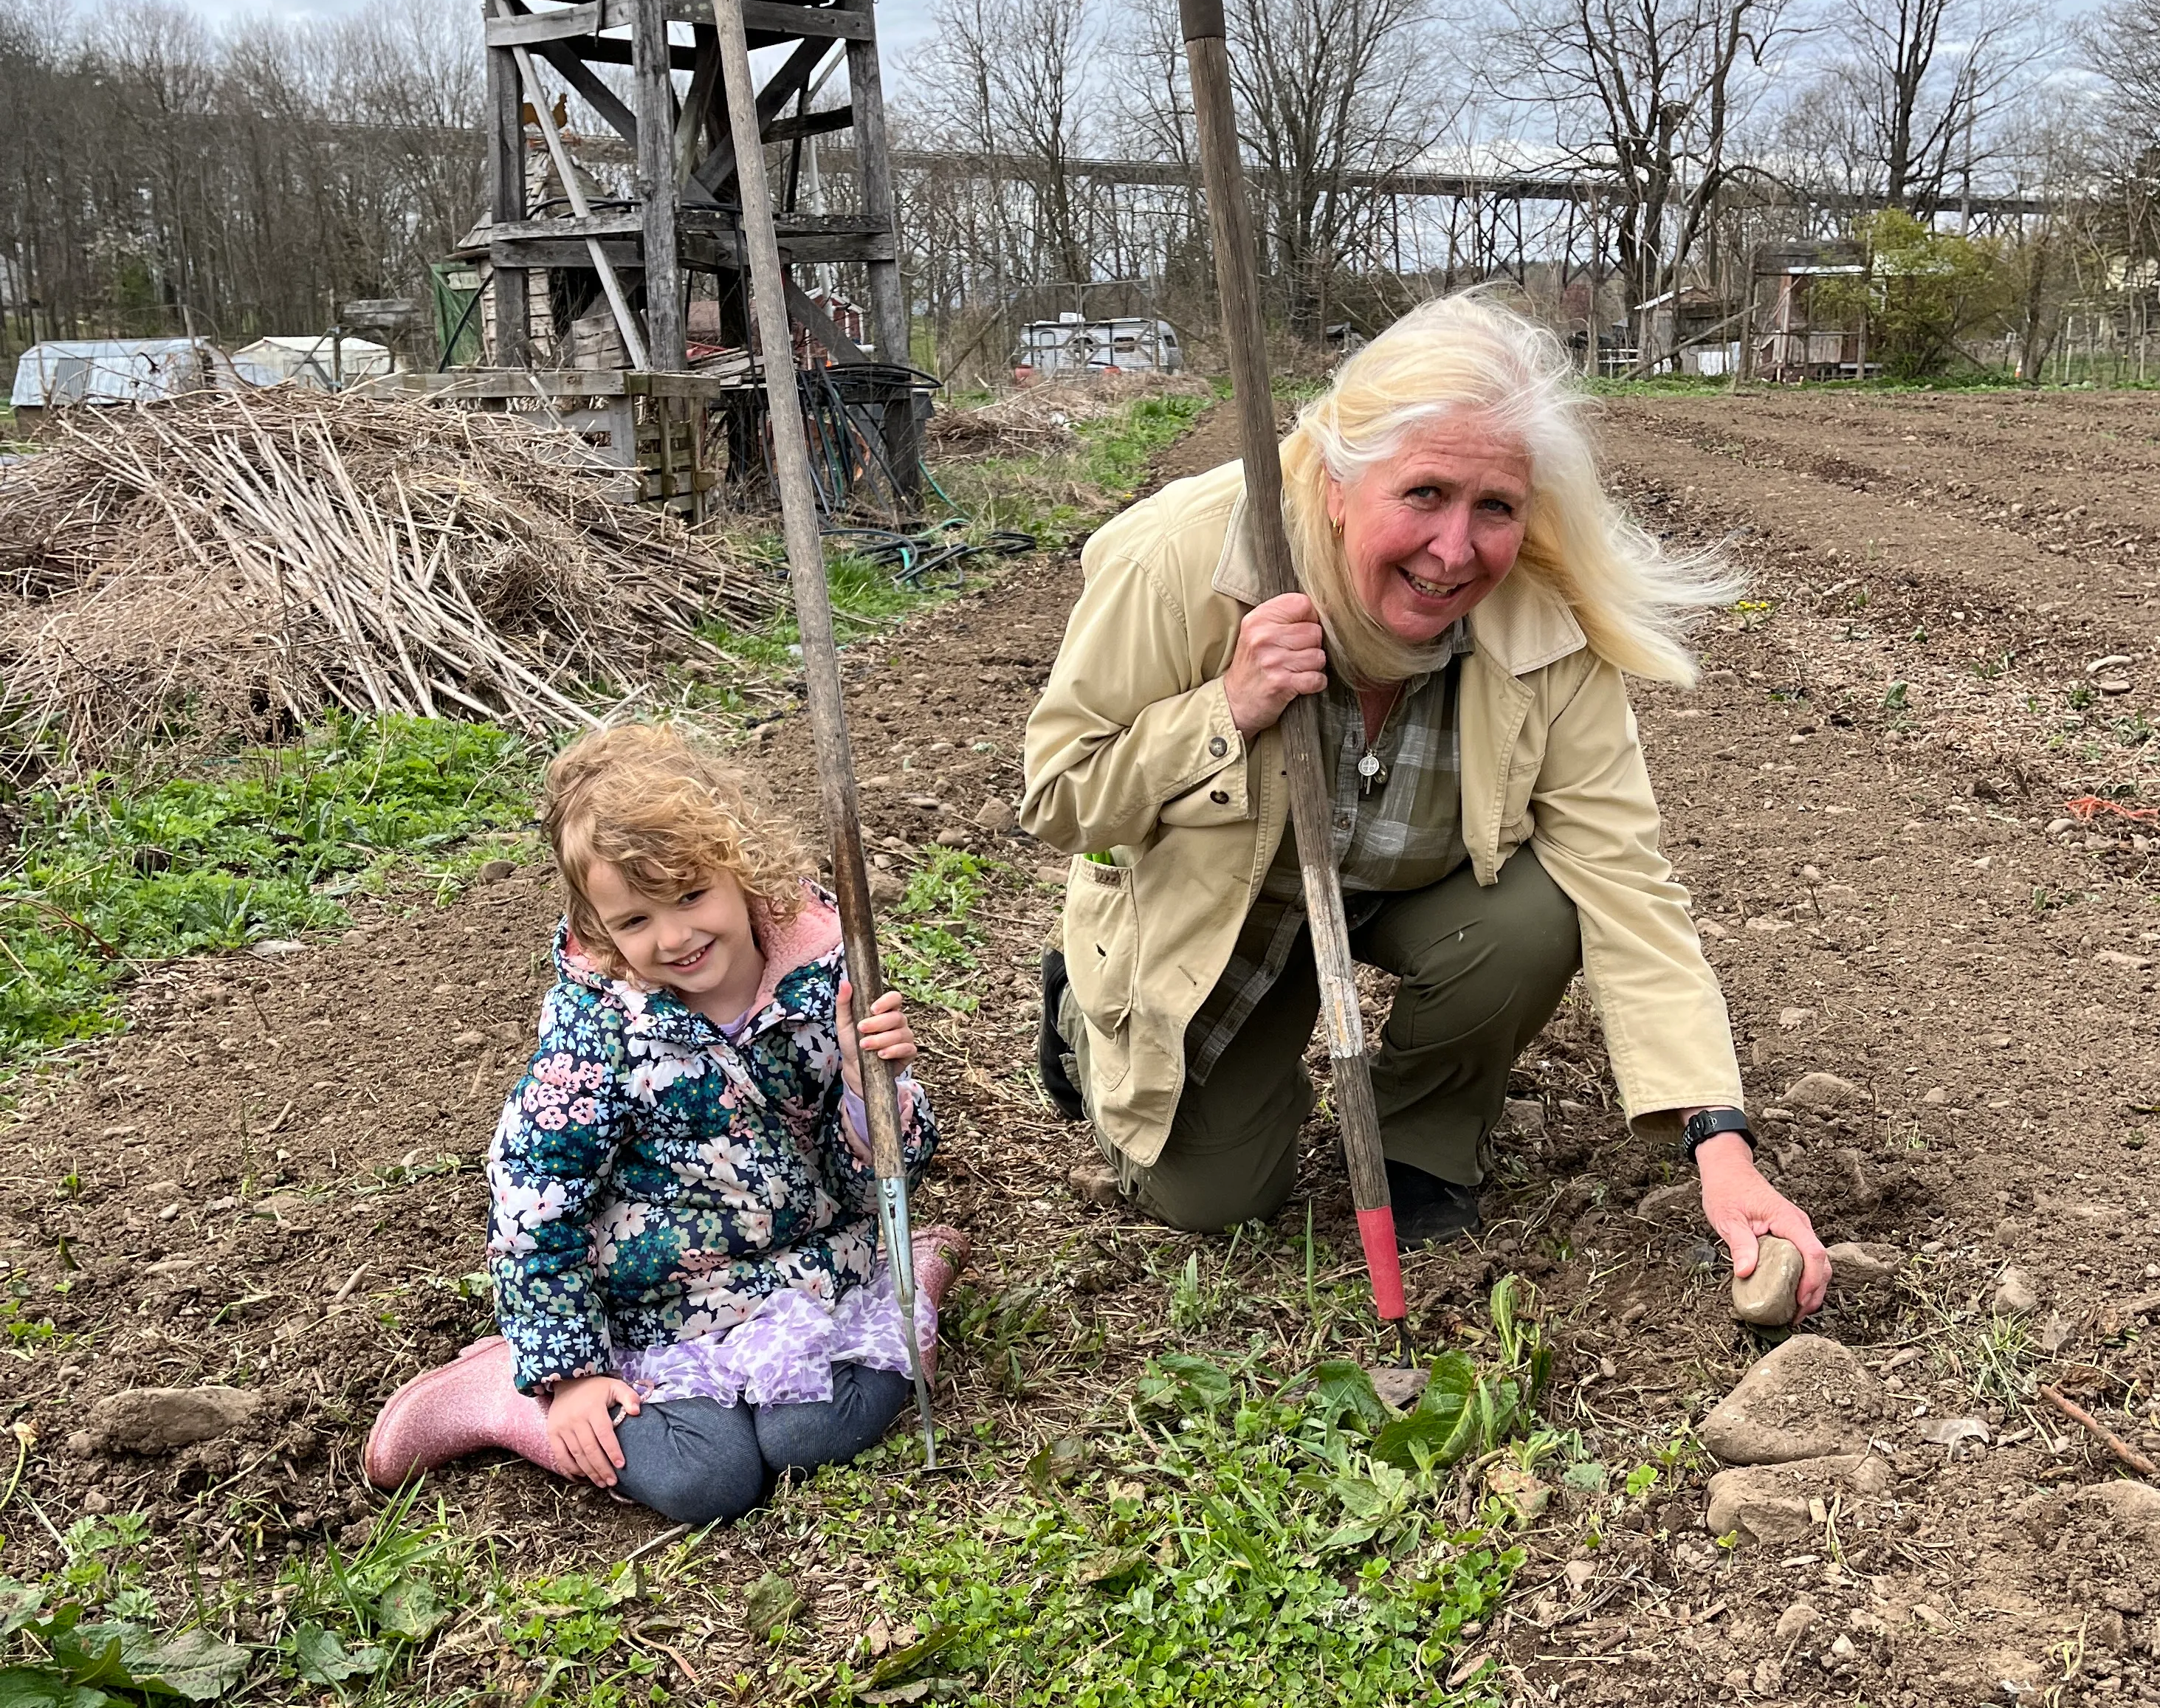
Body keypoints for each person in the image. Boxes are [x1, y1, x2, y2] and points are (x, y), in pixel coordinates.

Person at [1021, 292, 1826, 1308]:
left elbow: (1625, 879)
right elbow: (1060, 793)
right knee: (1216, 1201)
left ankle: (1423, 1141)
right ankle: (1086, 1019)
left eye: (1495, 507)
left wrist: (1720, 1141)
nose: (1456, 551)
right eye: (1425, 494)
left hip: (1415, 881)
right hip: (1229, 904)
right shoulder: (1189, 560)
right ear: (1336, 479)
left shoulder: (1545, 623)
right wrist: (1226, 707)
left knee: (1537, 916)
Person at [364, 723, 965, 1518]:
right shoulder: (597, 1037)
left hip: (816, 1272)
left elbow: (890, 1167)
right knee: (706, 1481)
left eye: (691, 896)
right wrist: (569, 1374)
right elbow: (533, 1201)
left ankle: (903, 1274)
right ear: (596, 930)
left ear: (741, 865)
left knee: (811, 1436)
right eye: (637, 921)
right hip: (661, 1314)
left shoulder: (825, 978)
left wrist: (868, 1088)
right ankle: (507, 1394)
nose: (676, 937)